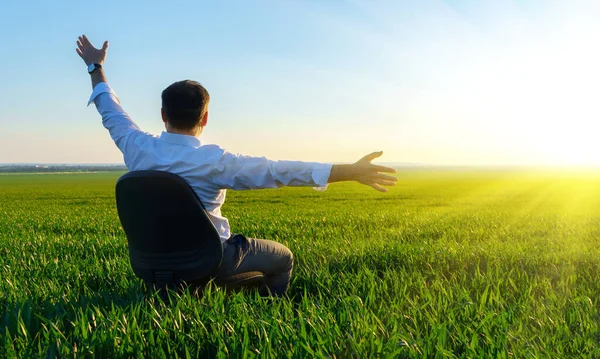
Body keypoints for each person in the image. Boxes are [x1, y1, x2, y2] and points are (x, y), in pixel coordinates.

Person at [76, 35, 398, 296]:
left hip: (151, 268)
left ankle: (189, 295)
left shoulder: (136, 146)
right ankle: (268, 318)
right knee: (284, 259)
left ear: (163, 115)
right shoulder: (214, 161)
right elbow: (278, 171)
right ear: (205, 118)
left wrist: (95, 65)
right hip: (211, 262)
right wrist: (349, 171)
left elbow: (109, 107)